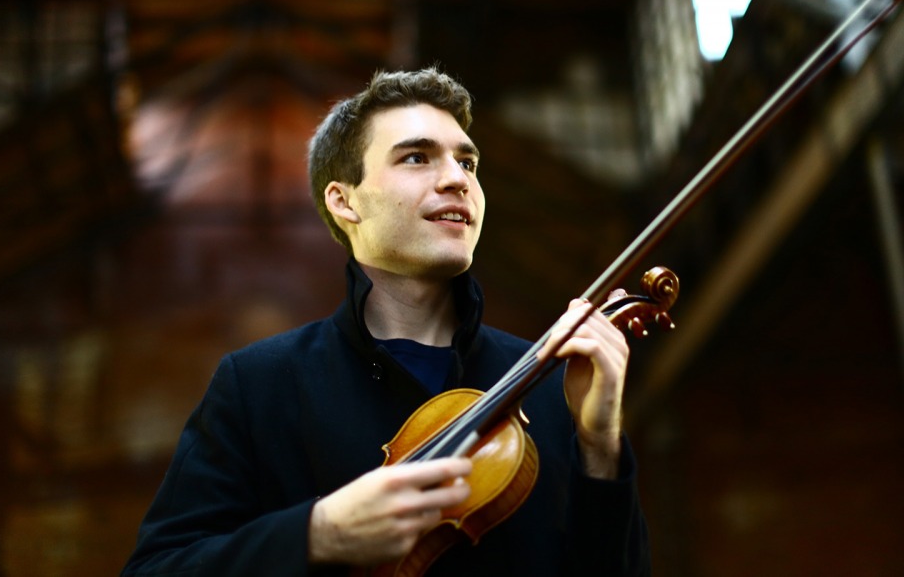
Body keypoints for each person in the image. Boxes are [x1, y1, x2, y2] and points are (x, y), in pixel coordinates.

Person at [121, 67, 651, 576]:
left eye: (467, 163)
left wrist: (599, 446)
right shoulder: (259, 384)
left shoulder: (548, 381)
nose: (456, 180)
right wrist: (316, 533)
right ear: (344, 201)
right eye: (417, 158)